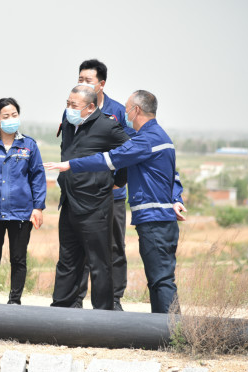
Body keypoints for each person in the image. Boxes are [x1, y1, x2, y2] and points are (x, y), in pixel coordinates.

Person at [44, 90, 186, 314]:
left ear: (136, 110)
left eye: (127, 110)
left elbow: (110, 159)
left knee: (161, 280)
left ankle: (172, 330)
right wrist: (176, 198)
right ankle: (165, 329)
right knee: (158, 280)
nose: (124, 114)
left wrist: (71, 165)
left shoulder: (145, 140)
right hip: (156, 218)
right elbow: (170, 174)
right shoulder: (160, 137)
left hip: (155, 219)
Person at [51, 85, 129, 310]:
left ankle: (103, 314)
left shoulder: (107, 126)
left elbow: (128, 153)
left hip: (95, 205)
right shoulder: (68, 122)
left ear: (90, 107)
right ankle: (62, 308)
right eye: (67, 103)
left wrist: (118, 181)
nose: (69, 108)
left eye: (74, 105)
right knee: (67, 260)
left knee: (99, 262)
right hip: (69, 201)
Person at [73, 59, 137, 311]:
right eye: (80, 79)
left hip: (112, 195)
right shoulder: (74, 109)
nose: (82, 83)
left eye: (88, 80)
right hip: (81, 194)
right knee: (79, 246)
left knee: (114, 246)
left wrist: (119, 181)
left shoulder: (118, 112)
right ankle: (75, 299)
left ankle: (114, 299)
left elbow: (132, 149)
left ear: (101, 84)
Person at [0, 98, 47, 305]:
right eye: (6, 116)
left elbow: (38, 178)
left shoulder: (29, 145)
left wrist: (38, 207)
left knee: (18, 259)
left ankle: (15, 302)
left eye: (14, 115)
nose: (11, 119)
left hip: (21, 211)